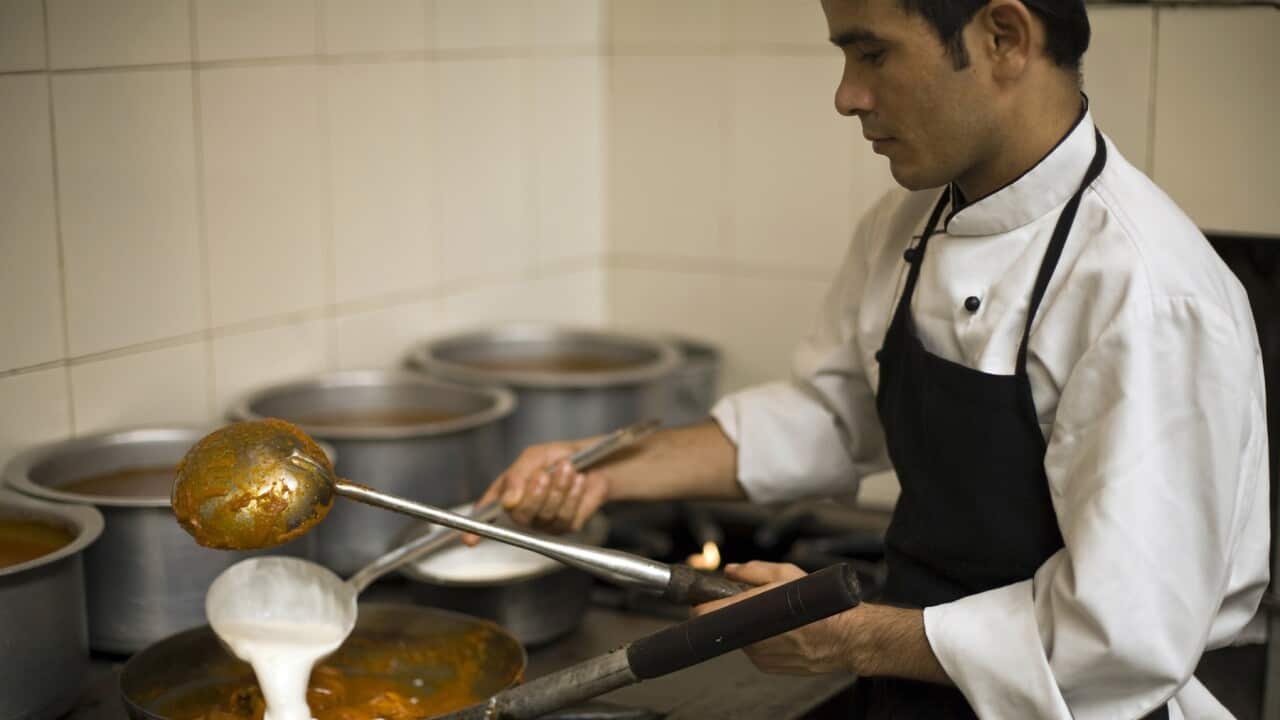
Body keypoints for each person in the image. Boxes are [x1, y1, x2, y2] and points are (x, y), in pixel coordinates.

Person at [470, 0, 1271, 717]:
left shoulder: (1152, 295)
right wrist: (606, 468)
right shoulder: (910, 222)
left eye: (872, 53)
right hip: (914, 696)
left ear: (1004, 37)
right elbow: (833, 412)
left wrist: (855, 640)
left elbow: (1122, 638)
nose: (846, 94)